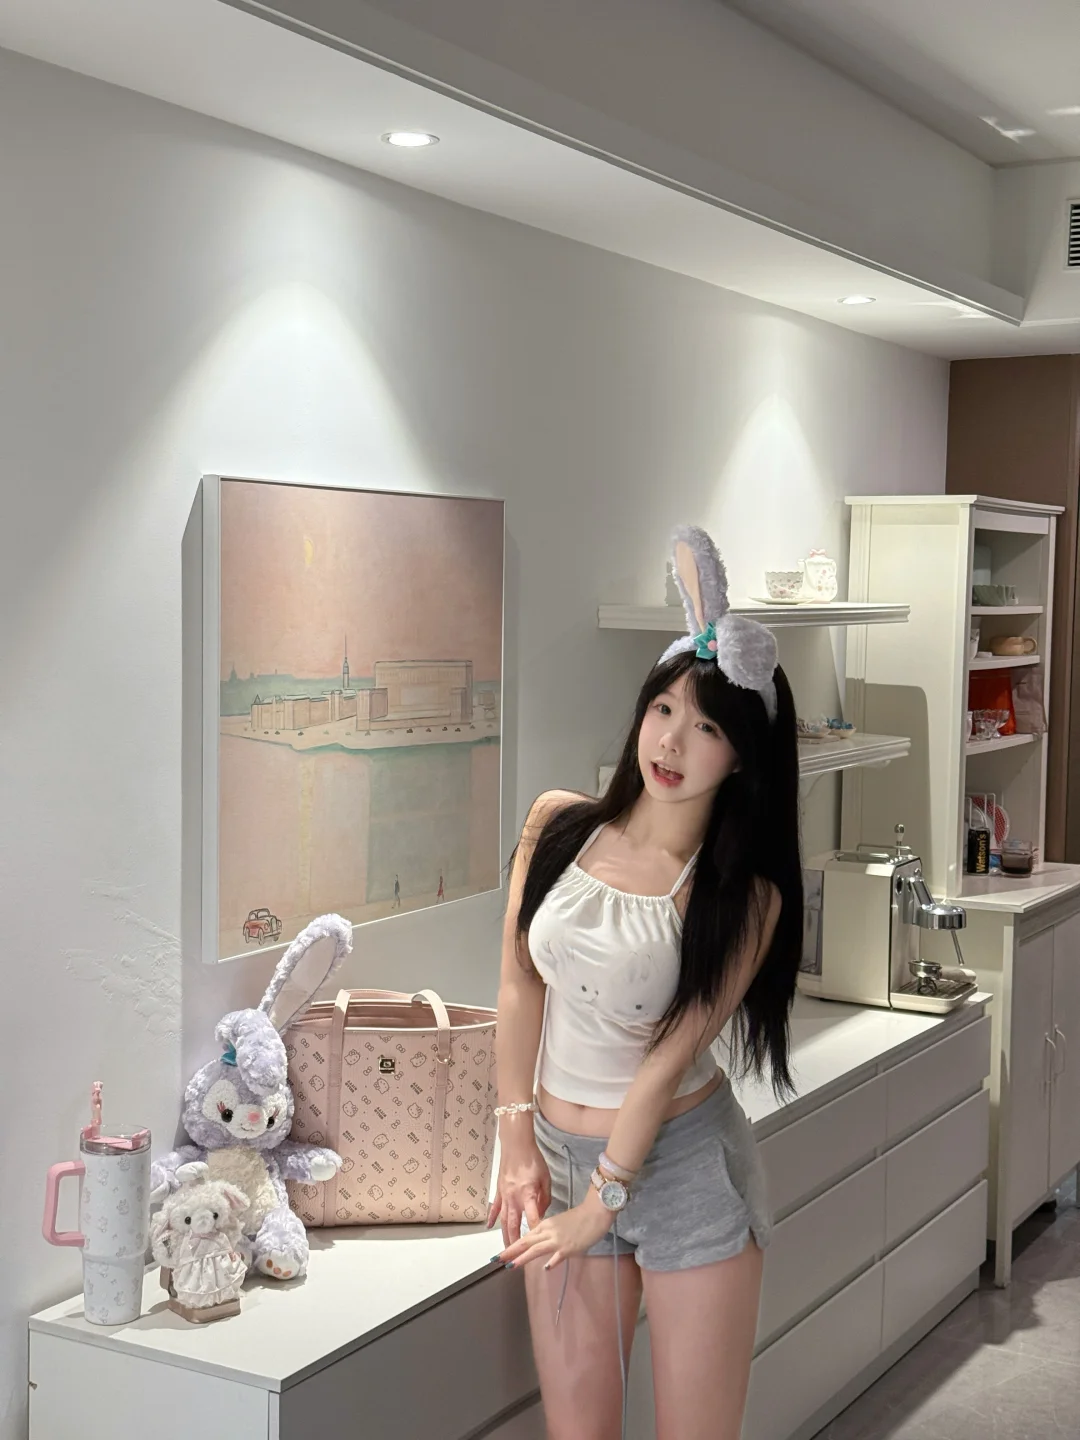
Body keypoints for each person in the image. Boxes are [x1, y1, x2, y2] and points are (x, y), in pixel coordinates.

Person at [488, 526, 803, 1440]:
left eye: (707, 727)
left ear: (740, 757)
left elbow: (665, 1065)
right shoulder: (556, 824)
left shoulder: (743, 899)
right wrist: (517, 1141)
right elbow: (519, 985)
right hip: (558, 1158)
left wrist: (605, 1205)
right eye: (664, 708)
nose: (672, 741)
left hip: (683, 1168)